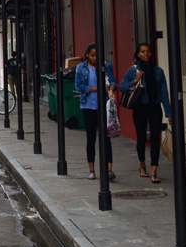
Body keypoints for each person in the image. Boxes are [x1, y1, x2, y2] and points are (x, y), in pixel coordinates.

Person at [120, 42, 172, 183]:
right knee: (141, 138)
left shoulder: (158, 71)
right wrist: (134, 80)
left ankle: (154, 169)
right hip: (140, 108)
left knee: (155, 138)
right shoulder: (133, 70)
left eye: (148, 51)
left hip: (154, 107)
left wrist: (169, 113)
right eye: (142, 51)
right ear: (138, 54)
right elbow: (122, 87)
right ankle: (142, 165)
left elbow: (164, 92)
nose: (146, 54)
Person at [74, 43, 116, 180]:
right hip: (88, 106)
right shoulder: (81, 68)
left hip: (103, 105)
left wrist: (110, 89)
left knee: (106, 137)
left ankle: (109, 170)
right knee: (91, 138)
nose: (95, 58)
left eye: (97, 55)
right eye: (92, 55)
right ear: (87, 55)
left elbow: (114, 82)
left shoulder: (105, 66)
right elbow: (79, 86)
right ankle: (91, 170)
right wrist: (96, 88)